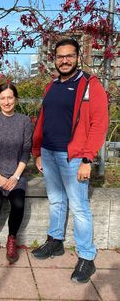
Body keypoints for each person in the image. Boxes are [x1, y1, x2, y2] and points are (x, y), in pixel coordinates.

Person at [31, 38, 109, 283]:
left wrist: (87, 158)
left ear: (77, 57)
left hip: (74, 157)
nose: (64, 60)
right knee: (56, 200)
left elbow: (99, 124)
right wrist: (37, 151)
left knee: (79, 208)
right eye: (60, 56)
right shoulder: (51, 85)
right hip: (49, 153)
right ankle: (55, 241)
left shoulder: (89, 85)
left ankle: (87, 257)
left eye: (69, 56)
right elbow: (43, 120)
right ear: (54, 59)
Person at [0, 83, 32, 263]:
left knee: (18, 203)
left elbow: (26, 151)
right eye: (3, 98)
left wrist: (15, 177)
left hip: (16, 173)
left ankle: (12, 239)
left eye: (10, 97)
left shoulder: (24, 121)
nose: (7, 101)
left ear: (15, 99)